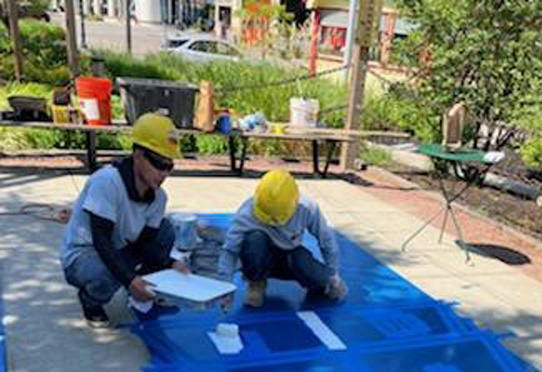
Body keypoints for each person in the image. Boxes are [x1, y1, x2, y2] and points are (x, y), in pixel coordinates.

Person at [60, 112, 187, 328]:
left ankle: (146, 289)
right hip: (84, 256)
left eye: (169, 166)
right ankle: (91, 300)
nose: (164, 173)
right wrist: (129, 280)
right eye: (158, 163)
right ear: (138, 155)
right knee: (106, 273)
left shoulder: (158, 197)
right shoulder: (108, 182)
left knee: (165, 230)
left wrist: (171, 263)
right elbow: (101, 239)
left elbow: (146, 243)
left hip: (119, 248)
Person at [218, 169, 347, 308]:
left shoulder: (307, 208)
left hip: (290, 258)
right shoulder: (247, 213)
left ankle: (319, 285)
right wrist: (226, 289)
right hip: (260, 259)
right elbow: (230, 251)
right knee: (254, 239)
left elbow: (326, 241)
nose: (273, 223)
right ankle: (256, 283)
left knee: (307, 266)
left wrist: (333, 275)